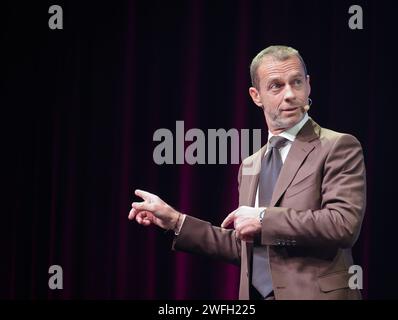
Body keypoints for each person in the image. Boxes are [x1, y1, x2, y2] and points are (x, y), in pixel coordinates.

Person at [128, 45, 366, 300]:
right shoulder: (251, 164)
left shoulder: (337, 145)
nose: (290, 94)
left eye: (296, 82)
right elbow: (247, 248)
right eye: (276, 85)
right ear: (256, 95)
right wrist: (175, 221)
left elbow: (342, 224)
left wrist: (263, 218)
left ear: (308, 85)